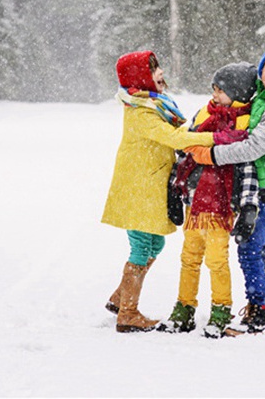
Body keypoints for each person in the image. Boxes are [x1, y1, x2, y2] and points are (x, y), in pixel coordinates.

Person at [186, 43, 265, 334]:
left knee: (249, 247)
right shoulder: (264, 100)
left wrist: (211, 155)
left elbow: (253, 147)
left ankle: (258, 311)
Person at [102, 50, 215, 333]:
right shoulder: (140, 112)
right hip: (137, 188)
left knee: (157, 244)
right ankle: (128, 313)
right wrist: (216, 138)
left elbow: (178, 128)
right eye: (153, 70)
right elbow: (175, 137)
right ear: (140, 79)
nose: (160, 73)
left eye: (158, 67)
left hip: (150, 186)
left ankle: (120, 298)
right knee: (141, 246)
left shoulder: (157, 104)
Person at [160, 62, 259, 338]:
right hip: (194, 202)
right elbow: (185, 150)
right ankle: (184, 307)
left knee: (216, 260)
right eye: (214, 88)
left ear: (238, 93)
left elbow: (248, 166)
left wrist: (249, 204)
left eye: (221, 90)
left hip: (221, 206)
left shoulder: (245, 124)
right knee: (189, 257)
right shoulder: (204, 113)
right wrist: (173, 189)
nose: (214, 94)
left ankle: (221, 309)